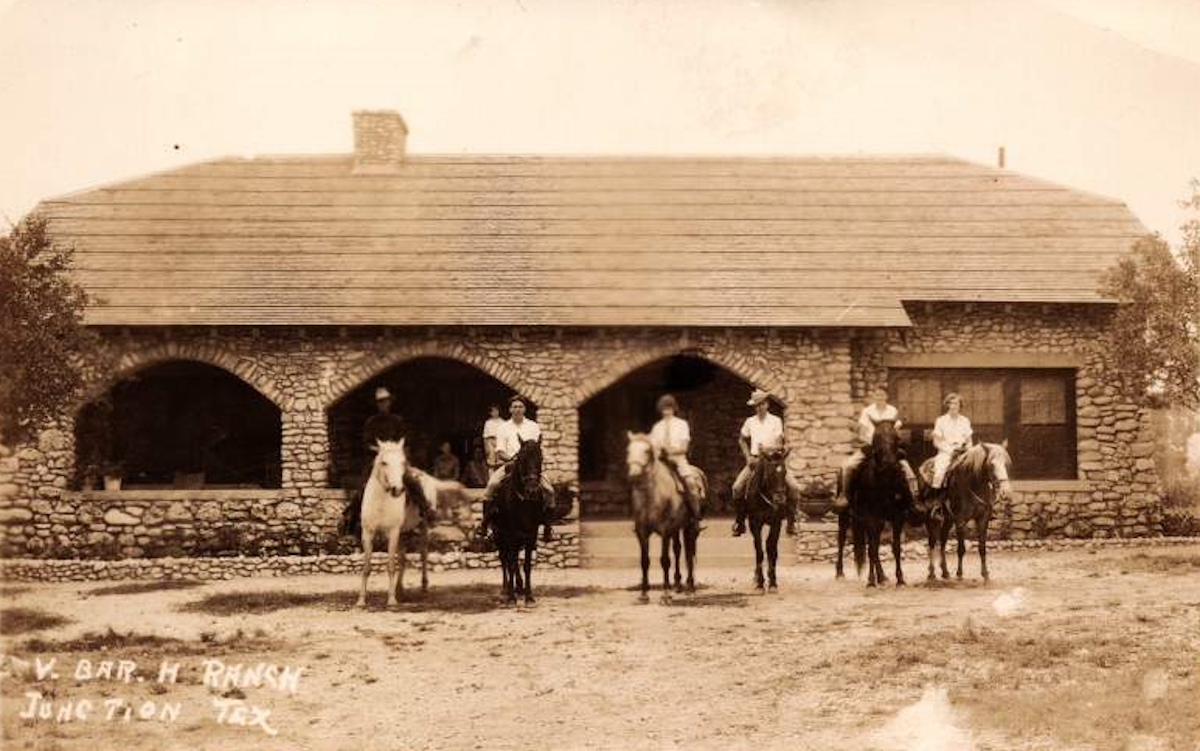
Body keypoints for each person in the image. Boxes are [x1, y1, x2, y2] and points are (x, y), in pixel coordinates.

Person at [341, 386, 435, 537]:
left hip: (396, 459)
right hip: (378, 460)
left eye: (386, 402)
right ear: (377, 405)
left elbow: (404, 441)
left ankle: (425, 511)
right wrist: (380, 450)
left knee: (411, 480)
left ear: (390, 403)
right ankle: (352, 519)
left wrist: (401, 457)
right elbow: (365, 443)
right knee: (363, 487)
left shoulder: (397, 421)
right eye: (380, 402)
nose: (384, 405)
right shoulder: (371, 423)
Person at [478, 396, 556, 539]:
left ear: (524, 409)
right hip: (510, 464)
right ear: (510, 409)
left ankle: (548, 527)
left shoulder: (533, 426)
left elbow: (537, 449)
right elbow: (500, 451)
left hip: (530, 468)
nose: (517, 409)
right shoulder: (503, 427)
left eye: (520, 406)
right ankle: (484, 525)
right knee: (491, 486)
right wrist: (513, 459)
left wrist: (533, 462)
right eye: (514, 406)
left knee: (549, 491)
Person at [731, 389, 803, 537]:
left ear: (767, 404)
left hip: (773, 460)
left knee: (794, 487)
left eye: (762, 404)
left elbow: (779, 442)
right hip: (756, 460)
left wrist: (769, 449)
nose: (759, 407)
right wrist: (747, 457)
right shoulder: (749, 422)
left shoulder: (776, 420)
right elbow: (742, 439)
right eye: (756, 405)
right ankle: (739, 522)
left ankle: (791, 522)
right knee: (737, 487)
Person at [834, 386, 919, 510]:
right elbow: (862, 432)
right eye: (877, 395)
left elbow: (895, 431)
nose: (879, 397)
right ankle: (845, 496)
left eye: (882, 395)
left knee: (907, 470)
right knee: (848, 466)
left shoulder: (892, 411)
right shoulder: (867, 411)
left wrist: (890, 442)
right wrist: (871, 441)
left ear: (886, 396)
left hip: (889, 448)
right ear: (874, 397)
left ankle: (913, 500)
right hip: (870, 446)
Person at [648, 394, 704, 521]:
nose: (666, 411)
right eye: (664, 409)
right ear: (660, 410)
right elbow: (653, 447)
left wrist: (669, 450)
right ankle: (645, 518)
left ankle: (695, 516)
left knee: (690, 483)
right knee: (646, 483)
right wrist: (658, 451)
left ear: (674, 409)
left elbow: (684, 447)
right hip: (660, 462)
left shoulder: (682, 424)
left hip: (678, 460)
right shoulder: (657, 427)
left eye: (669, 408)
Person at [930, 392, 973, 493]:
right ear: (947, 405)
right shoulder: (941, 420)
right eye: (951, 403)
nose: (953, 406)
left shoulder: (965, 421)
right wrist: (950, 450)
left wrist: (969, 450)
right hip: (946, 453)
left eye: (956, 403)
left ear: (960, 406)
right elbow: (936, 442)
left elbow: (969, 441)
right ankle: (937, 499)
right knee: (939, 473)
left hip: (963, 453)